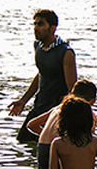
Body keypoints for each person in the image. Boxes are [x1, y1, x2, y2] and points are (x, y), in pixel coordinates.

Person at [8, 9, 77, 143]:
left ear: (52, 28)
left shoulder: (65, 52)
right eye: (35, 24)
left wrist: (67, 115)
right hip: (40, 104)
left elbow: (72, 89)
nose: (36, 28)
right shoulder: (38, 46)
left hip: (55, 108)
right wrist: (23, 101)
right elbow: (41, 74)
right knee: (23, 141)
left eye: (40, 24)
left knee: (47, 146)